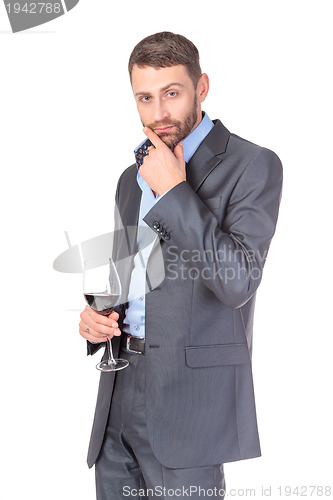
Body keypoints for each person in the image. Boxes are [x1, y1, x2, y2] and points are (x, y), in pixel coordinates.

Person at [79, 31, 283, 499]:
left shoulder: (253, 165)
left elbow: (236, 281)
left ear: (201, 87)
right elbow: (127, 278)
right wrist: (99, 318)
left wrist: (174, 192)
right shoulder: (130, 179)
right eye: (145, 98)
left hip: (191, 406)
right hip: (117, 393)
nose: (158, 114)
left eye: (172, 93)